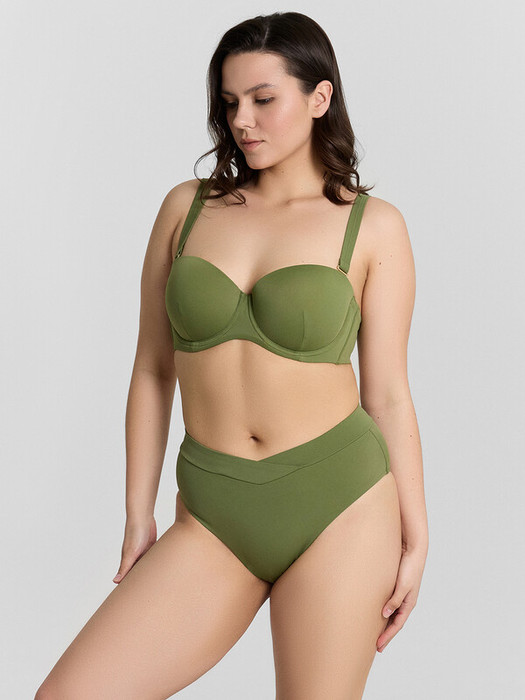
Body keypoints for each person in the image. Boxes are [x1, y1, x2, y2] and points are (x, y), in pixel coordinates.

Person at [35, 11, 428, 700]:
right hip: (212, 511)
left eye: (263, 99)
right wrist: (137, 513)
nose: (242, 120)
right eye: (229, 102)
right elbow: (152, 368)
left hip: (340, 505)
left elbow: (388, 393)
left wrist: (415, 536)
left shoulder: (373, 227)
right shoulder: (186, 209)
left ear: (319, 97)